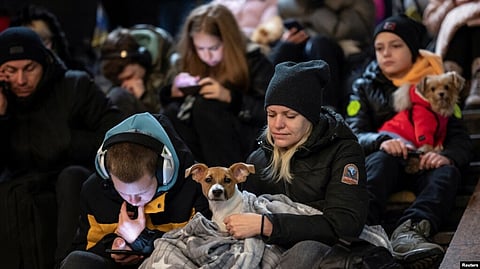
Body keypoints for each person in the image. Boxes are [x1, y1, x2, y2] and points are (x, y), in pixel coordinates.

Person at [345, 14, 474, 268]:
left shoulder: (440, 84)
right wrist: (382, 140)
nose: (386, 54)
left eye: (395, 45)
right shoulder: (363, 86)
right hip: (385, 162)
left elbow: (460, 136)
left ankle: (411, 231)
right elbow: (353, 134)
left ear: (413, 48)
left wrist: (447, 155)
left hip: (424, 163)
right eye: (379, 48)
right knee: (383, 160)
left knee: (447, 172)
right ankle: (359, 232)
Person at [224, 60, 369, 268]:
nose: (278, 125)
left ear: (310, 117)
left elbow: (344, 224)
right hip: (270, 245)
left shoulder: (343, 152)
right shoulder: (258, 159)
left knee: (305, 250)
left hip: (326, 248)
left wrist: (269, 225)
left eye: (290, 115)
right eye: (271, 114)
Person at [0, 26, 123, 269]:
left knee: (71, 177)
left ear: (44, 63)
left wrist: (66, 141)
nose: (21, 80)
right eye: (10, 71)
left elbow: (118, 136)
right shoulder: (4, 100)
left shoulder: (75, 86)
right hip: (20, 190)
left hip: (77, 178)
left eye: (29, 69)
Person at [60, 112, 211, 269]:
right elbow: (80, 248)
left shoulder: (196, 185)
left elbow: (205, 250)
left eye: (141, 193)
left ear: (163, 173)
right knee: (77, 261)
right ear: (108, 175)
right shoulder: (94, 190)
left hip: (170, 264)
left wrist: (142, 241)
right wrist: (112, 246)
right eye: (124, 193)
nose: (132, 200)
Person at [160, 3, 274, 167]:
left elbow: (269, 114)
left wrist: (230, 97)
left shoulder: (254, 60)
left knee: (205, 106)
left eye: (214, 47)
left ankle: (225, 179)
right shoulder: (187, 61)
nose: (207, 55)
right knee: (169, 114)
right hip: (203, 141)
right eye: (200, 48)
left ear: (228, 42)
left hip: (246, 139)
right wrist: (173, 93)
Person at [265, 0, 376, 114]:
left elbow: (345, 31)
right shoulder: (286, 6)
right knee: (285, 48)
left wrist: (316, 9)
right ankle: (279, 108)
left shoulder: (356, 2)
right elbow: (275, 32)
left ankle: (327, 110)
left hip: (345, 49)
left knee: (319, 44)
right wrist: (287, 38)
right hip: (304, 49)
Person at [99, 24, 175, 117]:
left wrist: (144, 97)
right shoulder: (112, 76)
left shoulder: (170, 65)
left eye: (130, 76)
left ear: (143, 59)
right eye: (120, 81)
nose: (126, 85)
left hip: (159, 124)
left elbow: (171, 115)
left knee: (119, 96)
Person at [423, 0, 480, 109]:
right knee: (459, 27)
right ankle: (449, 82)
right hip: (452, 48)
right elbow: (431, 28)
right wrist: (451, 3)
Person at [10, 4, 87, 72]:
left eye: (42, 40)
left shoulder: (76, 79)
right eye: (28, 42)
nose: (37, 49)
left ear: (55, 43)